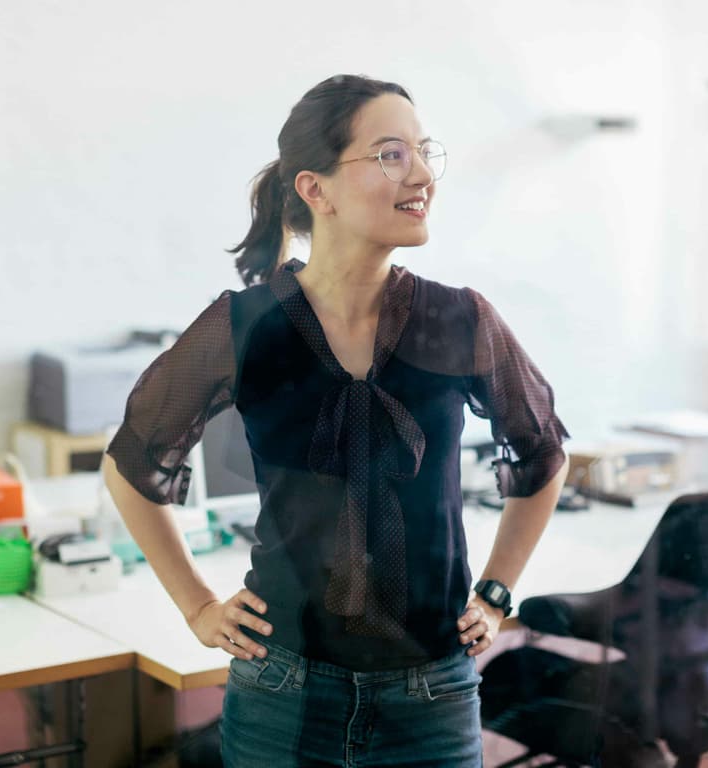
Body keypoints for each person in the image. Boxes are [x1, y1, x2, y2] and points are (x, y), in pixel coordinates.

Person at [103, 73, 570, 768]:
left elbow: (542, 454)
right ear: (314, 190)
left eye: (422, 151)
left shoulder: (462, 320)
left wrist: (498, 591)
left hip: (433, 693)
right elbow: (131, 466)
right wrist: (198, 606)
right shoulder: (244, 325)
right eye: (389, 154)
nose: (421, 176)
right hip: (281, 690)